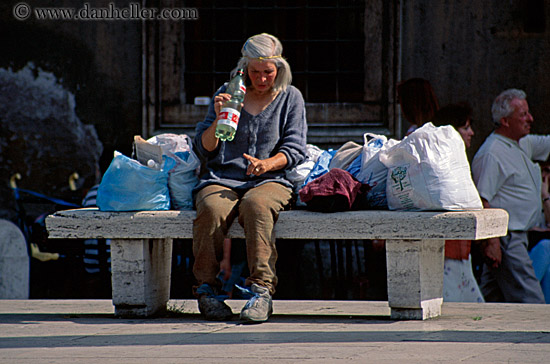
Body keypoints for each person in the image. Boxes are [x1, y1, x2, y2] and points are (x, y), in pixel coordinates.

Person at [192, 33, 308, 322]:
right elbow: (204, 148)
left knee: (257, 206)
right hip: (222, 177)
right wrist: (219, 118)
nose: (262, 78)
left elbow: (295, 149)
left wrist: (267, 164)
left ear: (279, 69)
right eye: (254, 72)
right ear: (244, 69)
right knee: (210, 208)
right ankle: (207, 291)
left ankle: (261, 291)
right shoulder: (229, 93)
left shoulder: (290, 97)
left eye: (268, 72)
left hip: (271, 180)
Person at [472, 88, 548, 303]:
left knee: (492, 297)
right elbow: (481, 200)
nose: (530, 119)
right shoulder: (492, 153)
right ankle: (538, 334)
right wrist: (493, 241)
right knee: (531, 299)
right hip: (507, 236)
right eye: (523, 114)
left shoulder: (523, 143)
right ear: (505, 121)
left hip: (520, 234)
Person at [432, 103, 484, 302]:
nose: (471, 132)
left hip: (462, 257)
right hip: (445, 257)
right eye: (465, 128)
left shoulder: (459, 163)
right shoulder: (442, 165)